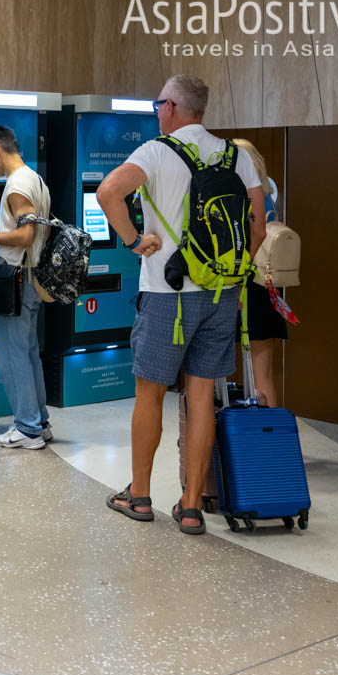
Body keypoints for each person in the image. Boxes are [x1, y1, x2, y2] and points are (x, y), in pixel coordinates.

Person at [97, 74, 265, 534]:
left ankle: (141, 494)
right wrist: (227, 274)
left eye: (158, 103)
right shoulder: (238, 156)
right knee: (200, 396)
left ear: (171, 107)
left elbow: (108, 192)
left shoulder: (156, 151)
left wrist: (134, 241)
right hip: (221, 295)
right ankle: (191, 506)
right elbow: (258, 230)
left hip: (166, 294)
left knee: (149, 393)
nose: (157, 111)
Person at [0, 126, 54, 450]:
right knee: (29, 352)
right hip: (32, 277)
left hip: (16, 279)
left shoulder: (17, 185)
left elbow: (26, 235)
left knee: (12, 355)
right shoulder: (35, 179)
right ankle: (39, 421)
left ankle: (27, 428)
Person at [232, 138, 287, 407]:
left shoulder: (240, 199)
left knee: (248, 373)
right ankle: (271, 439)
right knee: (263, 373)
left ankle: (244, 441)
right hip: (266, 287)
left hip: (244, 285)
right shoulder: (268, 197)